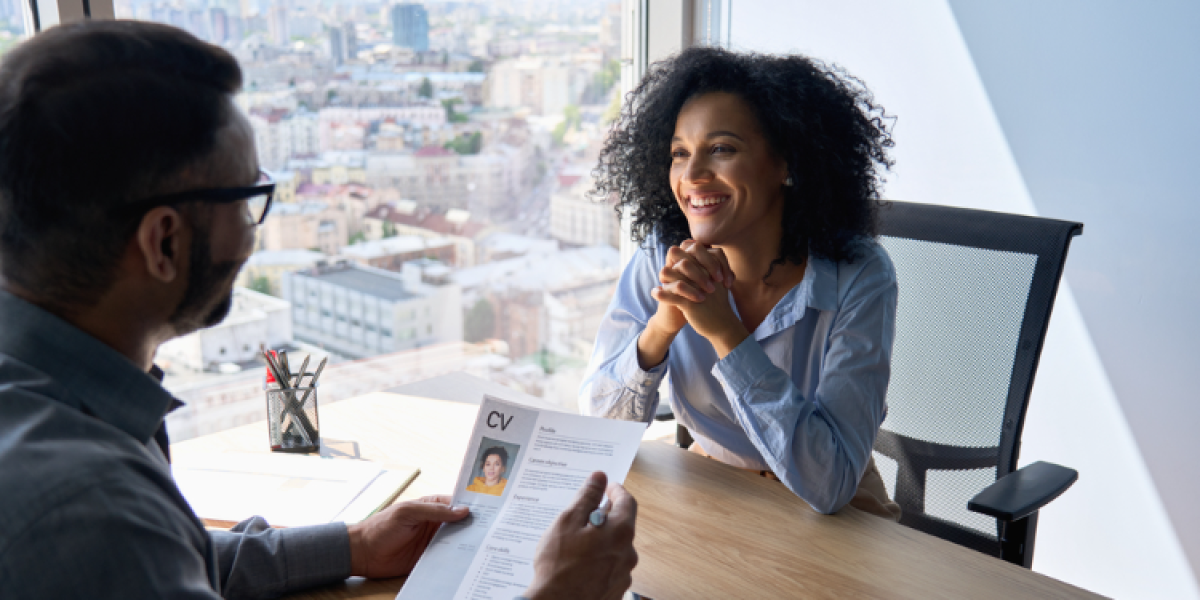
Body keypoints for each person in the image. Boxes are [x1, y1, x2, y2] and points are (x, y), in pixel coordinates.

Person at [0, 21, 637, 599]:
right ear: (164, 242)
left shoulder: (50, 412)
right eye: (248, 200)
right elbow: (116, 546)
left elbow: (159, 562)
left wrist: (353, 545)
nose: (252, 235)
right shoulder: (81, 505)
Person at [581, 46, 901, 520]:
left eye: (722, 149)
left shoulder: (859, 275)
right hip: (713, 491)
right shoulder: (662, 253)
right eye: (679, 153)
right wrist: (661, 329)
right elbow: (598, 428)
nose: (691, 176)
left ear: (786, 162)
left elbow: (831, 482)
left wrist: (725, 333)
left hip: (836, 515)